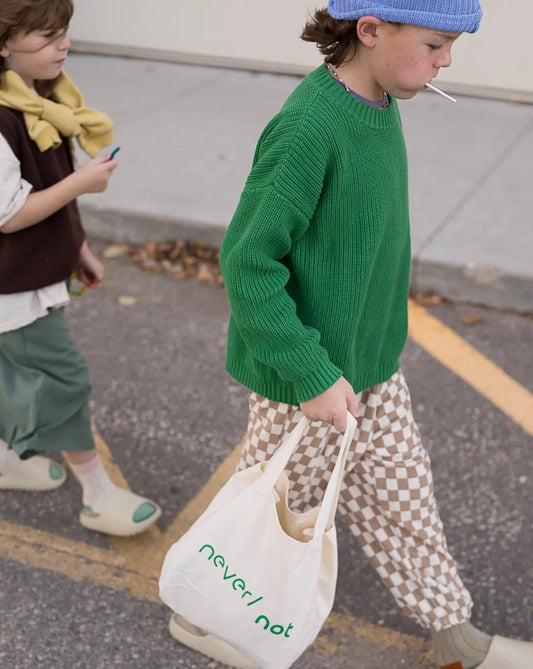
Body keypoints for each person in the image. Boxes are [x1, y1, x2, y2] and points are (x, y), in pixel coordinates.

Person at [167, 1, 533, 668]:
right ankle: (201, 614)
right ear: (370, 31)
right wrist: (310, 376)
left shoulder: (381, 102)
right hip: (300, 381)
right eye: (434, 44)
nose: (445, 59)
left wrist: (368, 352)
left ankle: (456, 637)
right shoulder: (309, 128)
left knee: (404, 494)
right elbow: (246, 263)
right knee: (275, 512)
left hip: (369, 367)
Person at [0, 0, 161, 537]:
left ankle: (7, 458)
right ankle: (97, 497)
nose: (63, 45)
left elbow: (45, 191)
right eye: (46, 37)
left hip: (24, 272)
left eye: (64, 32)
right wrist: (82, 182)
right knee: (61, 378)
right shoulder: (5, 115)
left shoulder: (40, 98)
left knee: (14, 374)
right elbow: (11, 212)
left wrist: (78, 249)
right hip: (9, 285)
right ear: (3, 44)